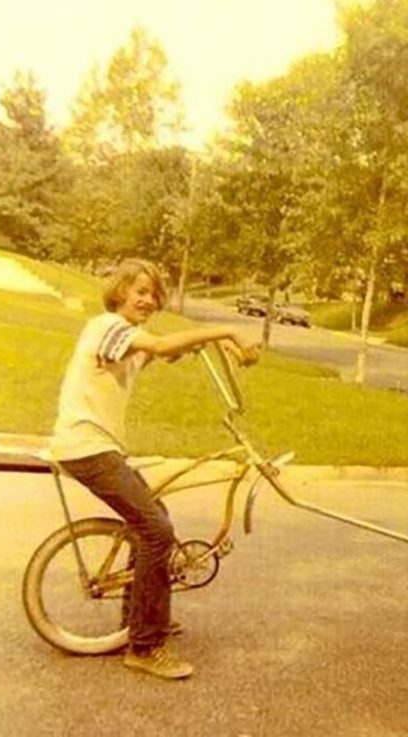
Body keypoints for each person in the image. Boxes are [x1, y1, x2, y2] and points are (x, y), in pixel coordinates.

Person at [50, 258, 259, 680]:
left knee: (153, 518)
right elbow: (162, 347)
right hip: (85, 447)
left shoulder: (124, 338)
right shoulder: (108, 326)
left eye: (154, 294)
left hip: (98, 447)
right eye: (140, 291)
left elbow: (165, 352)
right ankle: (145, 646)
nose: (148, 300)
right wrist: (227, 330)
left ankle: (141, 617)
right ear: (119, 292)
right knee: (157, 531)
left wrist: (215, 347)